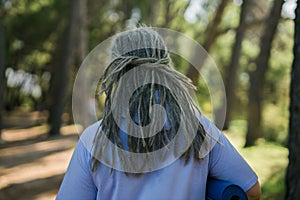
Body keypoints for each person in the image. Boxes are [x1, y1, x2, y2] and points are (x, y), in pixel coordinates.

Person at [57, 26, 261, 200]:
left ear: (116, 72)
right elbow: (251, 191)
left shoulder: (94, 139)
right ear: (165, 66)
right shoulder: (199, 130)